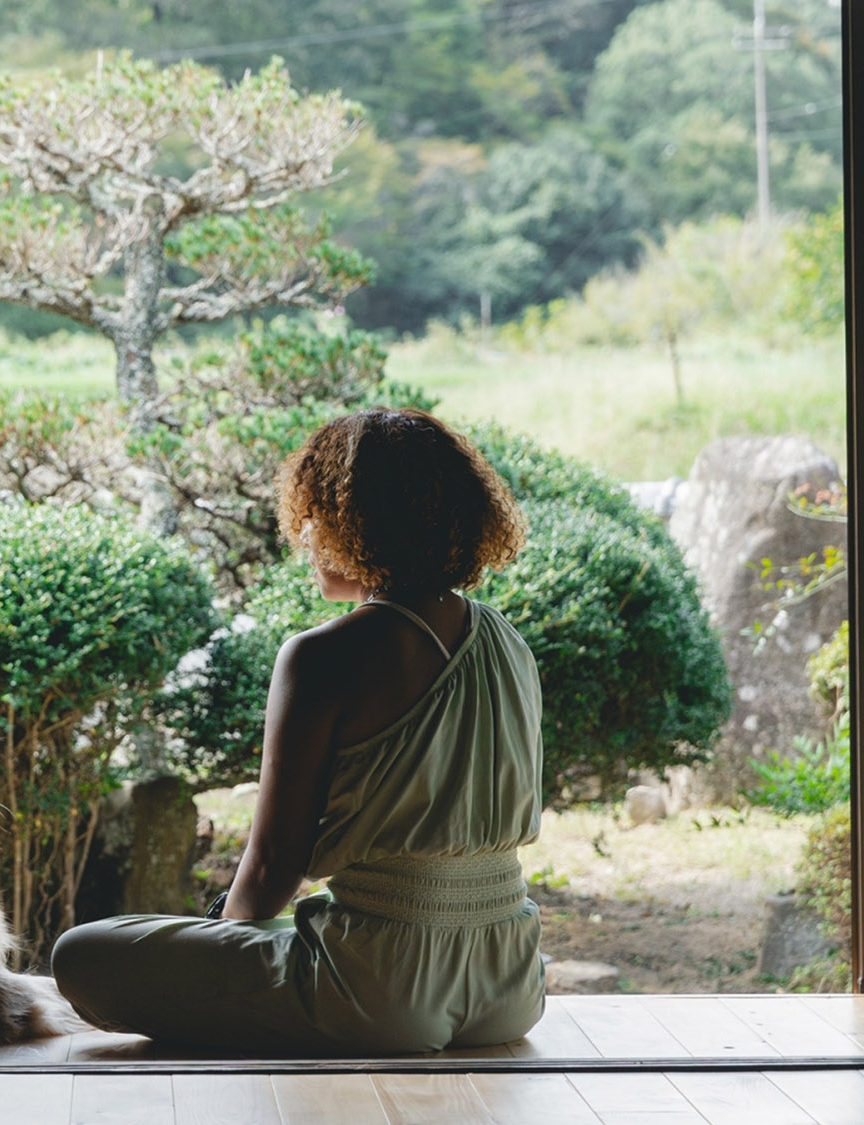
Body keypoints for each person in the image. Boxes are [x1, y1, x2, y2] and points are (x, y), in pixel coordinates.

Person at [50, 407, 545, 1054]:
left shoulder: (322, 654)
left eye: (318, 512)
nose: (306, 533)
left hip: (378, 989)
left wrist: (224, 938)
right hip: (510, 980)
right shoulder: (509, 642)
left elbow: (274, 867)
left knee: (81, 953)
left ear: (357, 522)